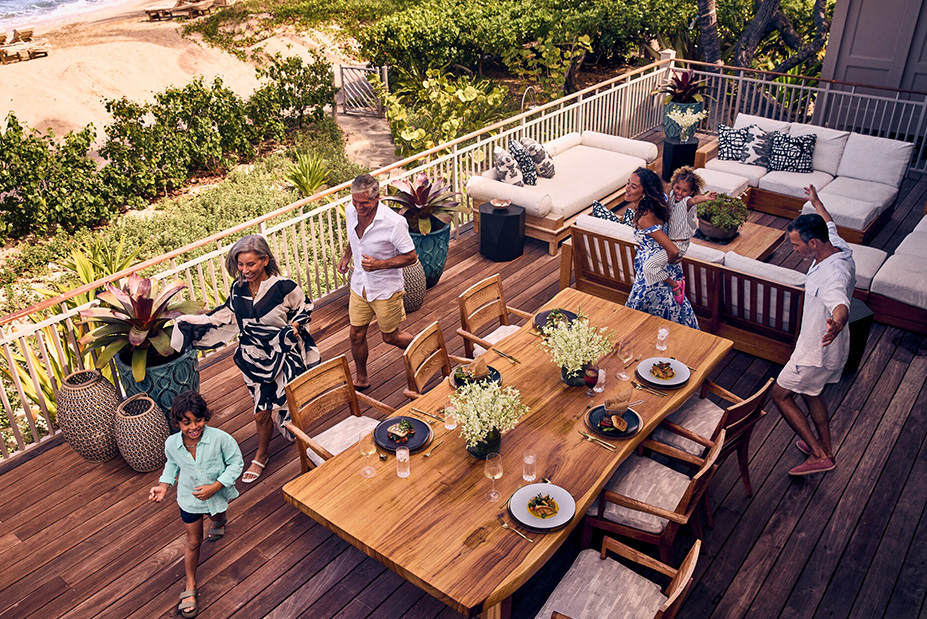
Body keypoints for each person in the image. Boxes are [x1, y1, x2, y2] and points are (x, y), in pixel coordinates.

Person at [170, 234, 320, 484]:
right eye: (240, 264)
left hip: (283, 357)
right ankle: (274, 453)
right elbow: (227, 317)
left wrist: (293, 327)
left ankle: (294, 451)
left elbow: (305, 307)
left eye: (250, 264)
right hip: (253, 359)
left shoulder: (284, 287)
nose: (244, 270)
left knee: (285, 406)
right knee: (263, 409)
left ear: (265, 260)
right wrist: (193, 323)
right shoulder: (238, 289)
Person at [771, 185, 855, 476]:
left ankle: (819, 455)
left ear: (815, 244)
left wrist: (838, 322)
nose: (793, 250)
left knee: (780, 394)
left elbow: (840, 303)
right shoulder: (839, 247)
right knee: (811, 393)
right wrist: (816, 202)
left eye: (797, 245)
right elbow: (828, 221)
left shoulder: (833, 274)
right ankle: (826, 449)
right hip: (829, 349)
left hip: (815, 351)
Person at [149, 391, 243, 619]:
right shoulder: (171, 443)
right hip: (189, 501)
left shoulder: (222, 439)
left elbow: (236, 464)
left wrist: (216, 486)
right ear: (177, 422)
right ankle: (190, 583)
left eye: (198, 420)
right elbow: (172, 465)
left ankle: (220, 520)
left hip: (217, 497)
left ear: (206, 417)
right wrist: (163, 485)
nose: (193, 427)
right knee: (193, 541)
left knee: (218, 515)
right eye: (186, 422)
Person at [336, 174, 417, 389]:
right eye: (355, 201)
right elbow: (355, 237)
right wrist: (347, 256)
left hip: (385, 289)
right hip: (359, 284)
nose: (358, 207)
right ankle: (362, 379)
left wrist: (380, 264)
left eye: (364, 203)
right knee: (355, 334)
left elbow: (411, 257)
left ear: (377, 198)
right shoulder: (350, 210)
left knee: (390, 337)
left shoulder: (394, 223)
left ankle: (424, 347)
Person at [624, 169, 700, 329]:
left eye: (634, 186)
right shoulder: (662, 201)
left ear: (645, 192)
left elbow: (672, 250)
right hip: (666, 268)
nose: (627, 189)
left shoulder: (645, 218)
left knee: (643, 324)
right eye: (628, 184)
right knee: (676, 317)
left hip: (652, 279)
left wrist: (673, 260)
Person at [649, 167, 717, 304]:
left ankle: (675, 285)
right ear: (673, 185)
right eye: (677, 188)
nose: (680, 192)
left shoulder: (687, 202)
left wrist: (705, 197)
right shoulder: (672, 197)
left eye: (685, 190)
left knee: (650, 267)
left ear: (691, 192)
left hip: (678, 245)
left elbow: (694, 200)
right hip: (667, 241)